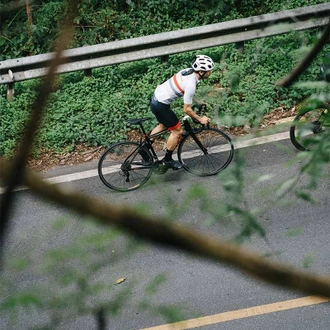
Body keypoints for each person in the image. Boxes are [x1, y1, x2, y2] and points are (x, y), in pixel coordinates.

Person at [149, 54, 214, 169]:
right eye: (209, 70)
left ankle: (144, 149)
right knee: (177, 132)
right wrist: (200, 119)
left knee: (163, 125)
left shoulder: (188, 72)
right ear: (201, 72)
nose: (211, 72)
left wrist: (198, 101)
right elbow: (186, 109)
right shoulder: (191, 84)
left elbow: (187, 93)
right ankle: (167, 160)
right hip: (161, 105)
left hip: (156, 99)